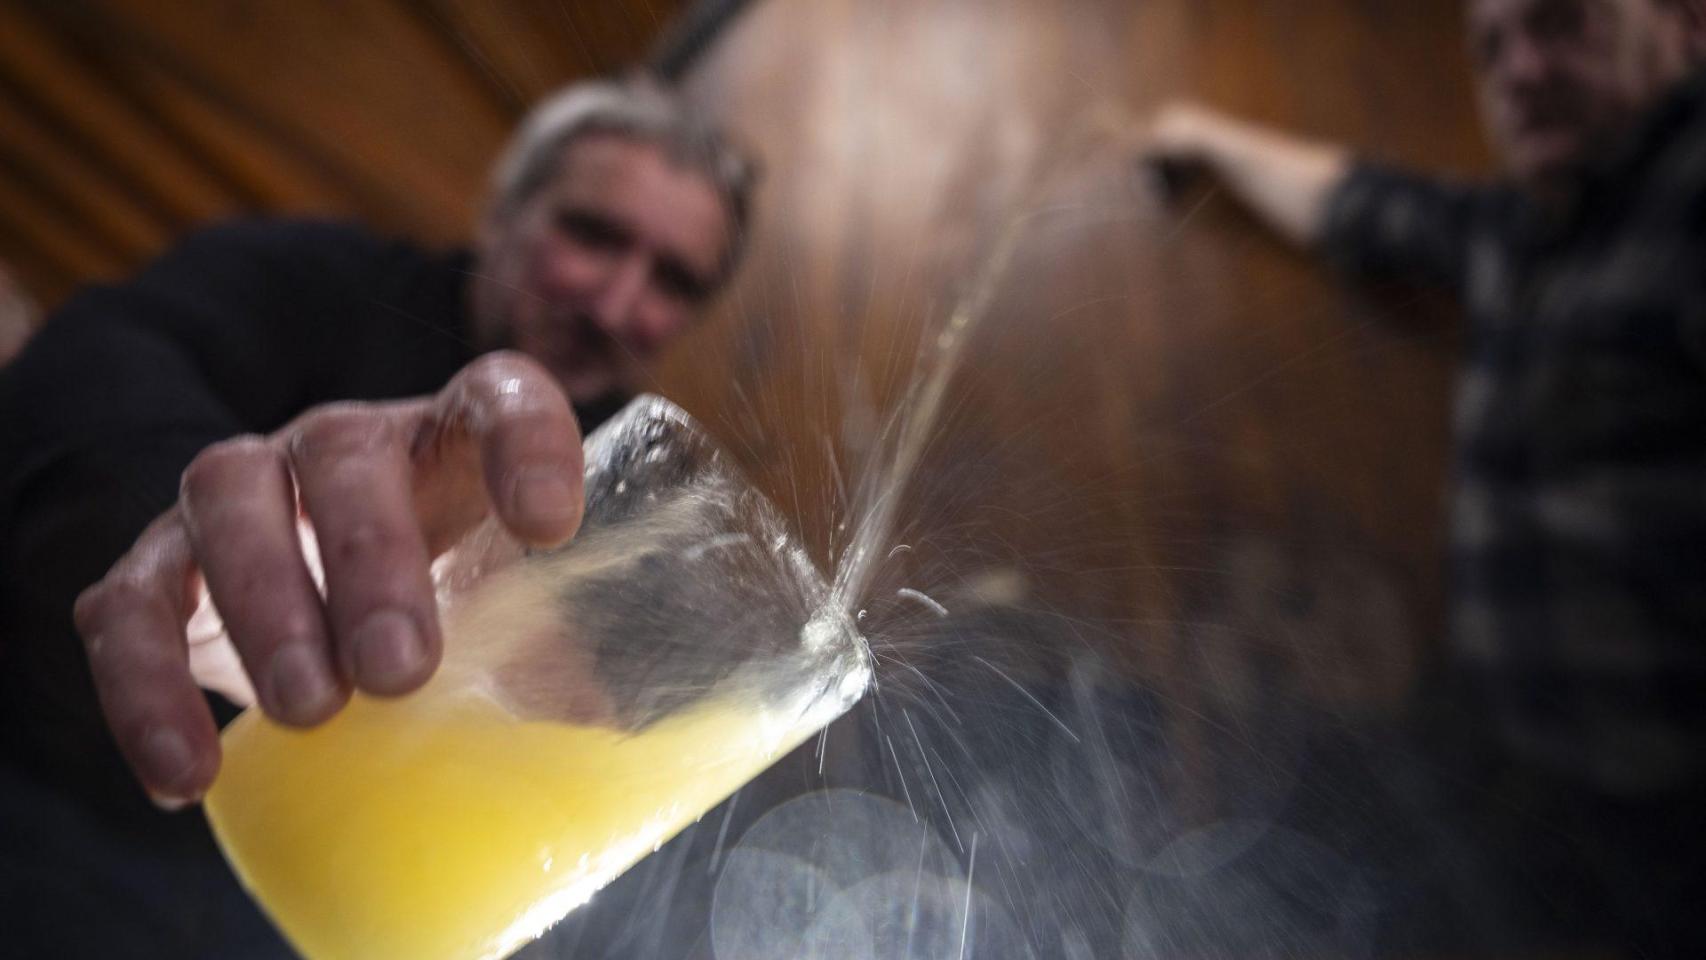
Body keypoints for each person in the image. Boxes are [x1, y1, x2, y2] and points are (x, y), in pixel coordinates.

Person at [0, 77, 756, 956]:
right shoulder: (316, 278)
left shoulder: (650, 506)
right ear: (504, 214)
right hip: (58, 805)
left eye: (672, 280)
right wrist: (196, 521)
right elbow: (82, 381)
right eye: (591, 235)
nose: (618, 304)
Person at [1143, 0, 1706, 955]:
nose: (1520, 70)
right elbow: (1355, 202)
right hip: (1539, 803)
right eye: (1490, 48)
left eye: (1562, 22)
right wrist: (1203, 133)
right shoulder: (1521, 233)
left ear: (1687, 26)